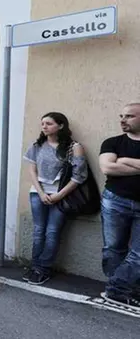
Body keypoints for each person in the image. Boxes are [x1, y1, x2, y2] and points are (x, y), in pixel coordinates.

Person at [23, 112, 87, 285]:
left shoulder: (74, 147)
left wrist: (59, 195)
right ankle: (35, 266)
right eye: (42, 123)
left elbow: (79, 176)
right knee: (38, 231)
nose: (44, 126)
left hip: (61, 194)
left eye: (49, 123)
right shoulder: (37, 145)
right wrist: (41, 192)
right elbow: (32, 171)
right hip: (38, 193)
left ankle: (43, 269)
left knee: (52, 232)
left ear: (60, 126)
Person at [99, 102, 140, 308]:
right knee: (113, 248)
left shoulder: (121, 150)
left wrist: (125, 161)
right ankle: (120, 290)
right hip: (116, 201)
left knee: (138, 253)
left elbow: (117, 165)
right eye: (121, 115)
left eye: (129, 116)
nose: (123, 120)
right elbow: (108, 167)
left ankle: (117, 289)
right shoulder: (113, 142)